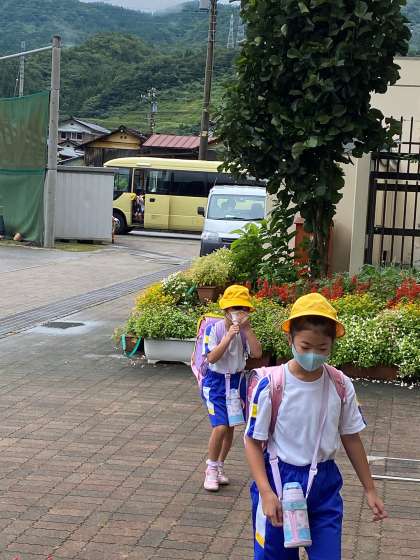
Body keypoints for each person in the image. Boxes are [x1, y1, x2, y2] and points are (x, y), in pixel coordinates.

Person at [245, 292, 387, 560]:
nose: (313, 355)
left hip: (324, 484)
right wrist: (265, 491)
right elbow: (252, 441)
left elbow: (351, 438)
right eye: (305, 346)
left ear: (332, 345)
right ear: (290, 339)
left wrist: (370, 489)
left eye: (322, 349)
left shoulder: (340, 385)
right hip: (278, 480)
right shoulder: (271, 386)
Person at [202, 285, 262, 492]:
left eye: (244, 308)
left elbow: (257, 353)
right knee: (219, 426)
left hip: (236, 384)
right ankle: (210, 468)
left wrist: (247, 330)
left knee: (229, 428)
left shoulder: (245, 332)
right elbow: (211, 357)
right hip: (216, 384)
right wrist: (228, 336)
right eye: (235, 308)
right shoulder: (214, 329)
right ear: (225, 310)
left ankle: (219, 466)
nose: (239, 312)